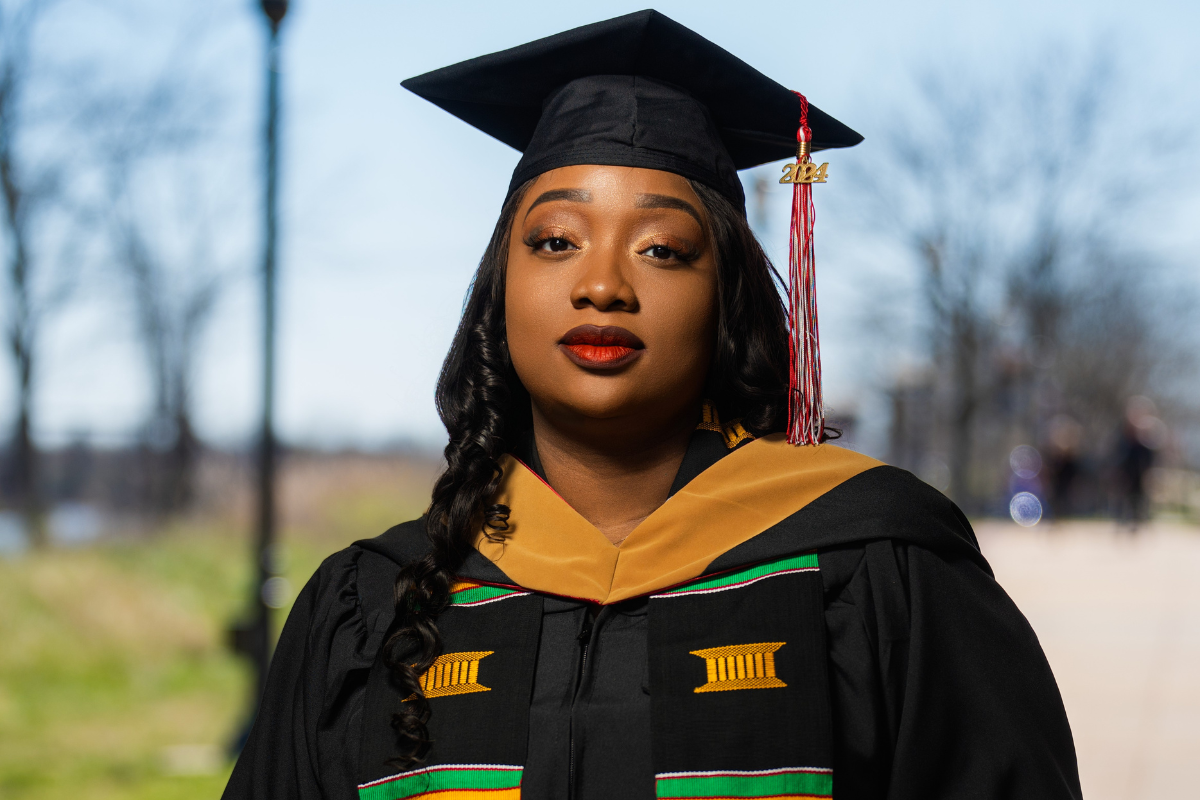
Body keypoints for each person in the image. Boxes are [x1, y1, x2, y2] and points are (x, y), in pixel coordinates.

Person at [222, 11, 1081, 800]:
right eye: (555, 241)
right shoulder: (376, 602)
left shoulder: (877, 572)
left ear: (726, 300)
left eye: (664, 249)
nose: (601, 284)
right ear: (499, 291)